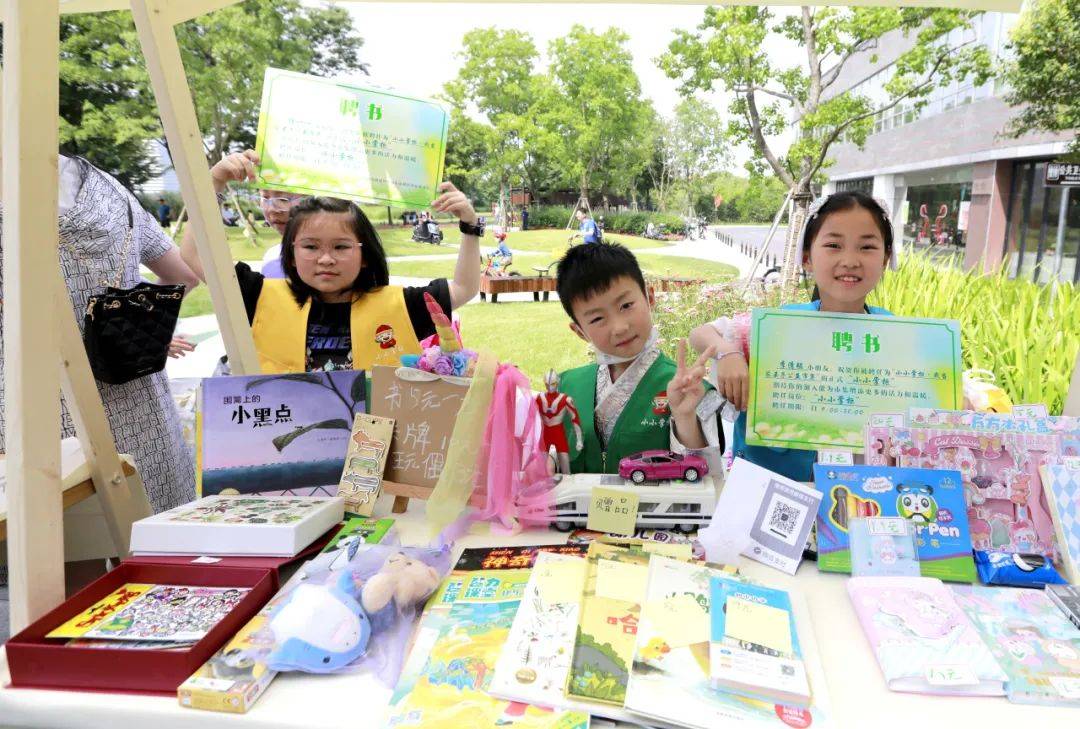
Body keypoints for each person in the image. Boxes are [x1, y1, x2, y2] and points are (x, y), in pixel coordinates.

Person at [0, 155, 200, 518]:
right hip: (138, 396)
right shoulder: (108, 188)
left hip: (31, 406)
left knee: (71, 552)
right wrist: (141, 323)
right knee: (156, 543)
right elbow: (184, 276)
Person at [181, 149, 482, 373]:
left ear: (364, 256)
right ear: (292, 253)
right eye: (310, 246)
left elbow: (464, 288)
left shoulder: (398, 306)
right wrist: (214, 182)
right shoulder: (259, 297)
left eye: (341, 247)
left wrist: (469, 225)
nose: (326, 259)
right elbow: (194, 257)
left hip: (377, 452)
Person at [690, 190, 896, 481]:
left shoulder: (899, 336)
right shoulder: (777, 326)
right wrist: (729, 352)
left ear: (886, 258)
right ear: (807, 258)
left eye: (867, 247)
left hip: (863, 493)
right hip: (772, 489)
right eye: (834, 245)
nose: (850, 260)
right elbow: (701, 333)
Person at [554, 242, 724, 475]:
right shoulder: (566, 387)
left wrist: (684, 417)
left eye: (626, 305)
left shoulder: (690, 390)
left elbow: (707, 478)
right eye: (596, 319)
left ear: (649, 297)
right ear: (580, 331)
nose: (620, 327)